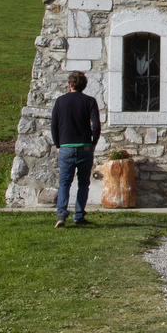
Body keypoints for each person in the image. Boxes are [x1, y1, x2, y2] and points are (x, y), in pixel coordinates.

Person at [51, 70, 100, 227]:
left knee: (65, 182)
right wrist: (93, 142)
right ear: (84, 86)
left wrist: (58, 144)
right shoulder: (90, 102)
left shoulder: (60, 101)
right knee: (83, 182)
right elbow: (96, 125)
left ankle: (61, 214)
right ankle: (79, 215)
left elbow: (54, 125)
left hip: (66, 146)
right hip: (84, 147)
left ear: (69, 84)